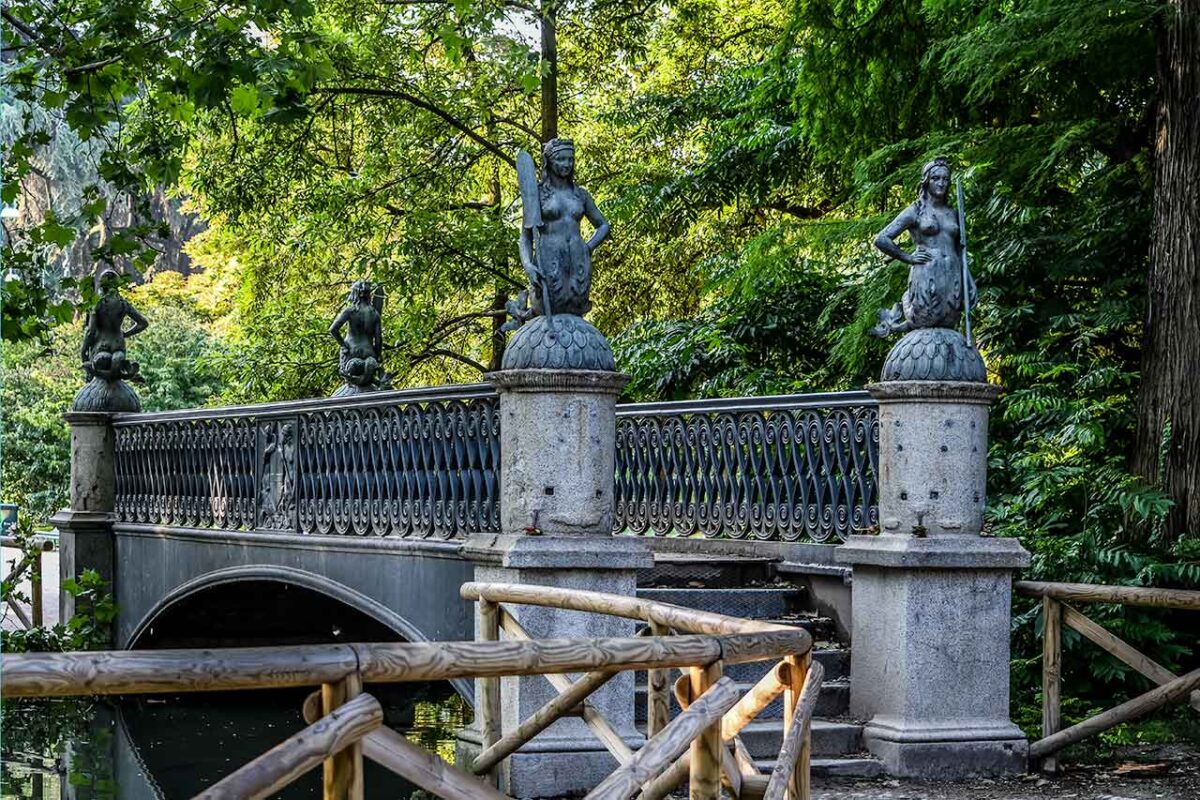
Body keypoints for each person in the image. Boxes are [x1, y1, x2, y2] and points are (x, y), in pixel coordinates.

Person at [871, 157, 976, 336]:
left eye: (945, 179)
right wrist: (908, 257)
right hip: (927, 272)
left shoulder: (953, 212)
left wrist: (969, 279)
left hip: (953, 273)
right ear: (926, 181)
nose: (941, 183)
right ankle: (906, 305)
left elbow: (960, 249)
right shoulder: (916, 210)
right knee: (926, 320)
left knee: (949, 322)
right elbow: (882, 239)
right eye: (936, 178)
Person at [517, 138, 610, 318]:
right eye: (561, 159)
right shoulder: (538, 194)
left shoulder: (580, 194)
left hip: (578, 260)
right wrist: (528, 265)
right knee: (548, 311)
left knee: (575, 312)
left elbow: (603, 225)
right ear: (549, 162)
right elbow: (526, 237)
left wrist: (588, 247)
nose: (567, 164)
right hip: (548, 260)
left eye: (570, 159)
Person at [80, 268, 148, 381]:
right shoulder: (123, 304)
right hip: (118, 346)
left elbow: (90, 332)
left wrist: (83, 352)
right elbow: (143, 323)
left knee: (100, 363)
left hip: (101, 347)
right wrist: (125, 334)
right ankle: (125, 371)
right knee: (118, 361)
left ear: (102, 285)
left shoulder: (97, 304)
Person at [329, 280, 384, 389]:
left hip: (352, 352)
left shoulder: (350, 311)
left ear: (355, 294)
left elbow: (333, 329)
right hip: (369, 353)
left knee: (350, 376)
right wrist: (378, 355)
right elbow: (378, 340)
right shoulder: (375, 314)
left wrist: (343, 345)